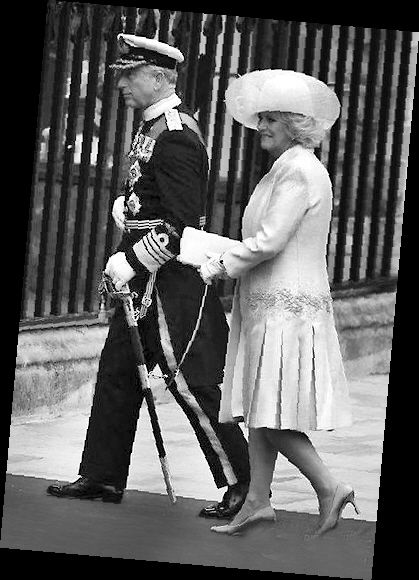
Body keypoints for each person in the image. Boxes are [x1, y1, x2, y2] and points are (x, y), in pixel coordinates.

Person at [47, 34, 250, 519]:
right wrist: (128, 208)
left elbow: (180, 225)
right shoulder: (153, 124)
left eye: (129, 74)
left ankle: (243, 482)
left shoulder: (176, 133)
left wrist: (133, 260)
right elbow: (149, 192)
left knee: (191, 383)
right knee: (117, 373)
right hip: (141, 277)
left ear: (159, 78)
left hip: (169, 281)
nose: (120, 84)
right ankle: (102, 475)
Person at [198, 69, 357, 535]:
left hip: (285, 310)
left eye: (270, 119)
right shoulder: (286, 166)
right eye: (261, 118)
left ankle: (330, 486)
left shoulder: (299, 170)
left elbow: (269, 240)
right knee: (260, 404)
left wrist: (221, 263)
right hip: (268, 303)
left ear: (293, 123)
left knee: (271, 408)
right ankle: (257, 501)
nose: (260, 127)